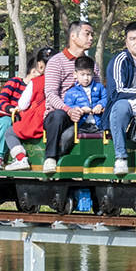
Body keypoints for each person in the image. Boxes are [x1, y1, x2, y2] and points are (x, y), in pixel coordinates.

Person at [41, 21, 95, 173]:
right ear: (73, 36)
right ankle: (50, 158)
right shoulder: (56, 61)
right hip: (61, 115)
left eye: (92, 35)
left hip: (86, 114)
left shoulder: (92, 64)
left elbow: (97, 90)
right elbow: (51, 94)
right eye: (87, 34)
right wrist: (69, 110)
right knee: (58, 115)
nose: (91, 38)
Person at [104, 20, 136, 175]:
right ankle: (121, 157)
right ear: (126, 42)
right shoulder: (121, 60)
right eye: (133, 39)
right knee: (121, 106)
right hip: (127, 103)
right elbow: (116, 92)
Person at [0, 60, 34, 171]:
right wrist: (10, 109)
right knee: (6, 121)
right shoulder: (15, 82)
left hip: (20, 120)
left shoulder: (38, 89)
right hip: (2, 117)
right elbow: (1, 100)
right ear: (34, 71)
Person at [12, 48, 52, 152]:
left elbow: (23, 104)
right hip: (54, 118)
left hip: (38, 120)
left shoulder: (35, 82)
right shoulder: (62, 80)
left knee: (10, 132)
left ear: (40, 65)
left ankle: (20, 158)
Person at [60, 54, 108, 138]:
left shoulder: (99, 87)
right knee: (68, 135)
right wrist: (80, 109)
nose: (86, 78)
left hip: (98, 123)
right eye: (82, 74)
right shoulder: (71, 92)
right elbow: (68, 106)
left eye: (89, 74)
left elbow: (106, 98)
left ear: (93, 74)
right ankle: (62, 150)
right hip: (81, 124)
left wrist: (100, 105)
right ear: (75, 74)